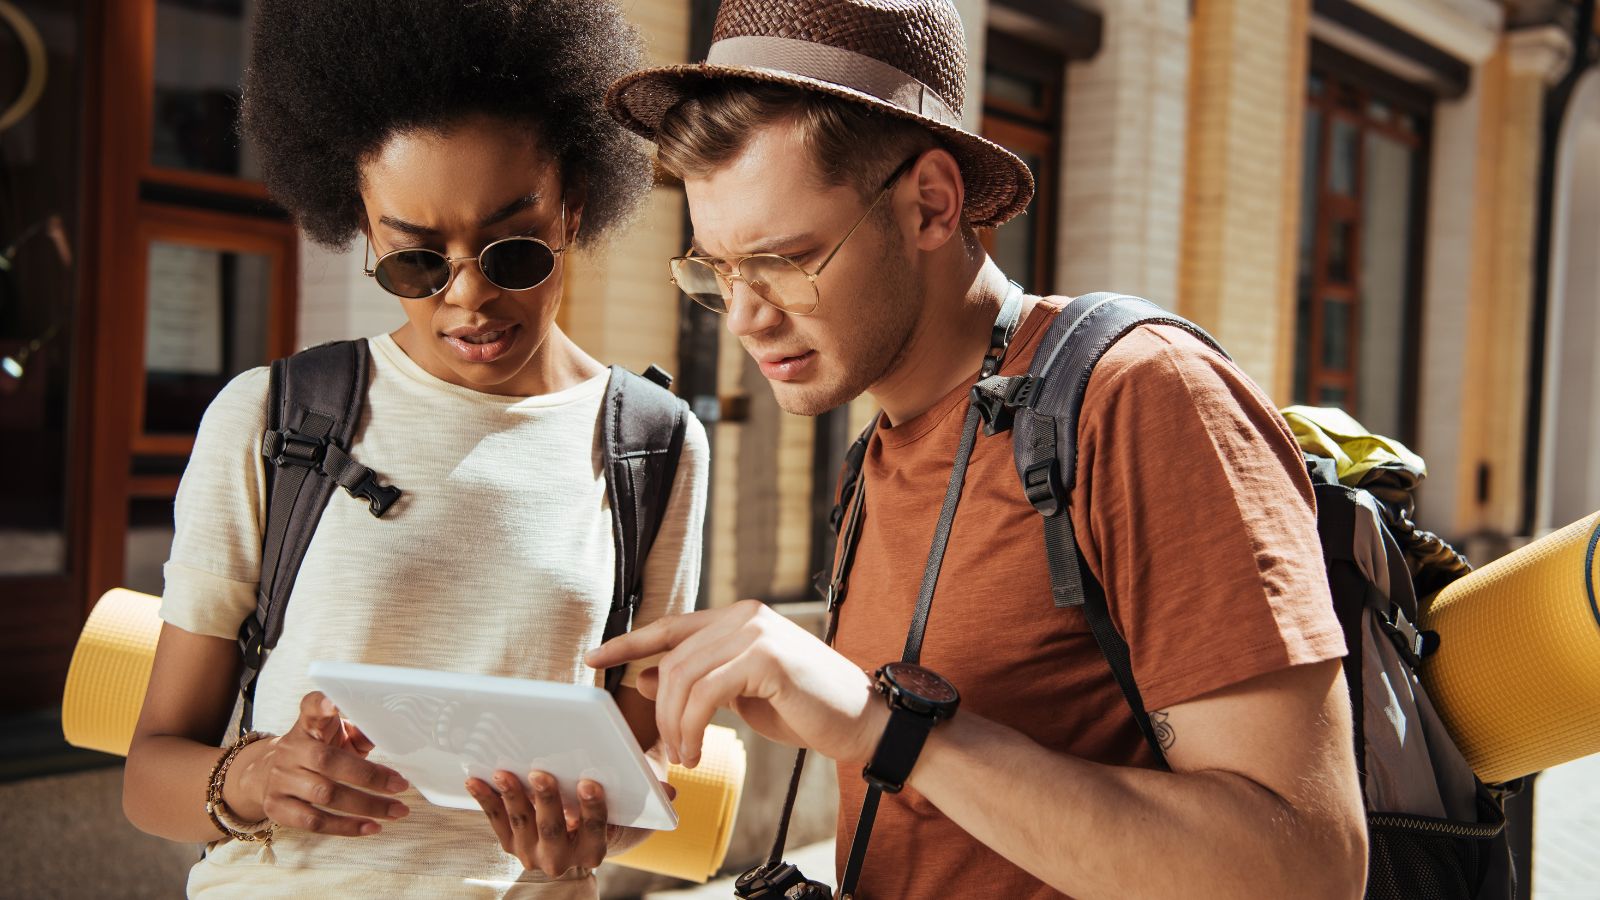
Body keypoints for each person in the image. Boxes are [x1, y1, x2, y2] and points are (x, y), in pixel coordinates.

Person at [590, 1, 1368, 897]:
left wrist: (887, 729)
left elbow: (1307, 872)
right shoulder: (874, 454)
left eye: (786, 260)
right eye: (719, 271)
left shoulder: (1143, 397)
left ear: (930, 203)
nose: (749, 317)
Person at [121, 2, 708, 896]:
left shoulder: (653, 446)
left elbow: (630, 784)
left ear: (574, 210)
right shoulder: (276, 419)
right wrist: (253, 777)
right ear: (363, 225)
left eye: (512, 251)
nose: (467, 298)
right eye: (416, 262)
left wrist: (589, 836)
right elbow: (149, 776)